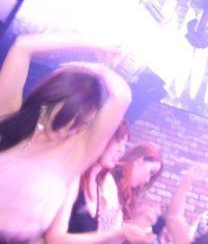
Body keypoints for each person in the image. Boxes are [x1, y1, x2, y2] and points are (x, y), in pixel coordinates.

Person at [0, 34, 132, 242]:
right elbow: (23, 46)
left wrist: (100, 70)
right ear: (48, 101)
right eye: (67, 117)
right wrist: (91, 44)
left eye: (82, 124)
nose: (71, 129)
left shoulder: (74, 155)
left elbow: (122, 96)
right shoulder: (9, 118)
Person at [113, 142, 163, 224]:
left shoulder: (127, 196)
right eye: (151, 172)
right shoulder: (108, 179)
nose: (147, 180)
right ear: (139, 159)